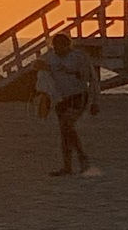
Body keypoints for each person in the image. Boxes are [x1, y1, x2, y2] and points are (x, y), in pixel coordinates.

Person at [37, 33, 101, 176]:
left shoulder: (78, 58)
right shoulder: (51, 58)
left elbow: (92, 79)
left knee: (67, 125)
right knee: (65, 132)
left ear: (68, 45)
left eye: (61, 46)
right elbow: (43, 77)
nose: (58, 50)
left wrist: (95, 102)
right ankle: (68, 167)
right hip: (61, 98)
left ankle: (82, 156)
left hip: (79, 97)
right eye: (56, 46)